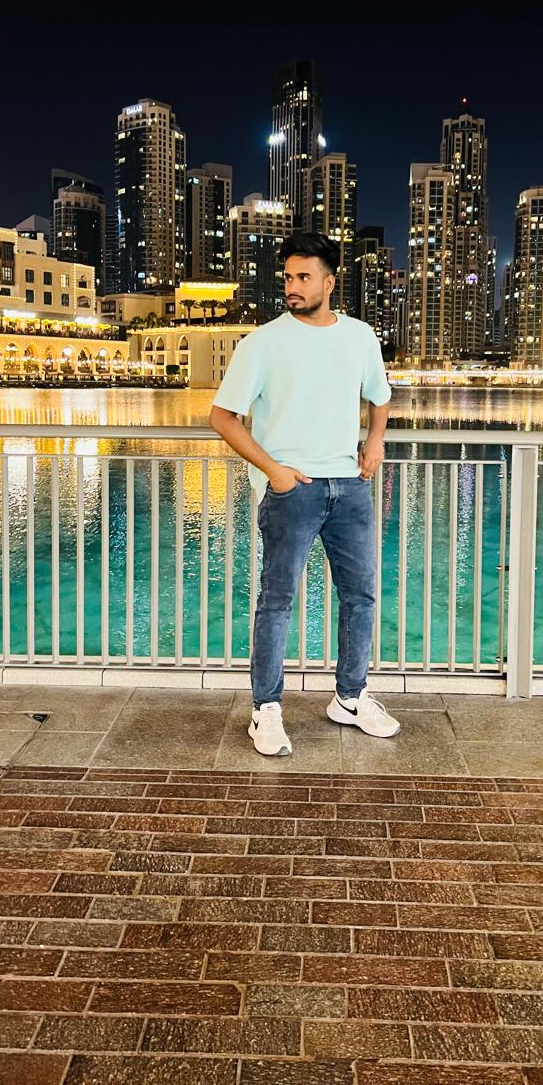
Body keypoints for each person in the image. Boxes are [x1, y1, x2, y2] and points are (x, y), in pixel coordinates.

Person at [209, 231, 400, 756]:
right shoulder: (261, 343)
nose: (292, 286)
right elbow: (222, 417)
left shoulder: (360, 336)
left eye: (303, 277)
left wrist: (375, 442)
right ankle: (266, 709)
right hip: (292, 491)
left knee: (360, 596)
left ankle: (351, 697)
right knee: (277, 601)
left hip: (350, 485)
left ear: (329, 282)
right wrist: (275, 471)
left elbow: (380, 396)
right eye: (288, 277)